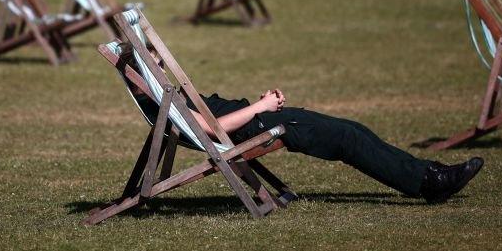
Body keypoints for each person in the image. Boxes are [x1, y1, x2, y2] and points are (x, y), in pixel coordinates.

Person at [136, 86, 483, 203]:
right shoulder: (161, 102)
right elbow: (214, 130)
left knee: (351, 129)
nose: (162, 63)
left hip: (260, 118)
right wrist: (260, 108)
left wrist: (260, 104)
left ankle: (429, 174)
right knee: (348, 138)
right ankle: (429, 182)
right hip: (258, 126)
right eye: (154, 58)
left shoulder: (162, 95)